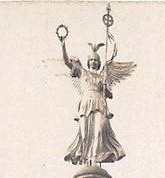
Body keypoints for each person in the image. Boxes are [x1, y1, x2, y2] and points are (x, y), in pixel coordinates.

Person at [58, 26, 135, 166]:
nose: (93, 62)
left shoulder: (102, 76)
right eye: (91, 60)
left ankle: (94, 158)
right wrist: (63, 44)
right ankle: (87, 160)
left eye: (95, 60)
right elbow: (67, 62)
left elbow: (110, 95)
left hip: (99, 103)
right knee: (85, 134)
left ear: (98, 62)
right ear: (88, 62)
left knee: (99, 131)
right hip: (86, 103)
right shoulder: (81, 72)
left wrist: (105, 87)